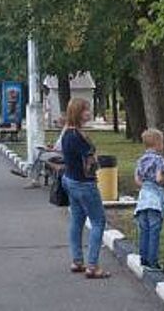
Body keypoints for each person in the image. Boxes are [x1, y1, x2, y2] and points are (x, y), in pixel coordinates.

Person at [61, 98, 110, 279]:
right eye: (86, 110)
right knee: (98, 222)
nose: (89, 113)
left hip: (70, 180)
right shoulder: (78, 137)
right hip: (84, 184)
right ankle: (93, 266)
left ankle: (77, 260)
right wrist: (95, 158)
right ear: (78, 113)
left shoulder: (67, 132)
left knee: (77, 220)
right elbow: (90, 161)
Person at [134, 128, 164, 271]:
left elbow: (137, 179)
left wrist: (146, 186)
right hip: (155, 200)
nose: (163, 145)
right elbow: (159, 178)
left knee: (144, 230)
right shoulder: (159, 159)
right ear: (157, 143)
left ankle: (143, 259)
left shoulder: (141, 159)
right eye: (162, 142)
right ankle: (153, 262)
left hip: (143, 199)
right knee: (154, 231)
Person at [23, 125, 66, 189]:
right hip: (58, 152)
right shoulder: (65, 130)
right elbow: (59, 146)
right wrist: (51, 147)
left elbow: (62, 148)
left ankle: (32, 176)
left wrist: (51, 149)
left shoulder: (67, 131)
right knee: (39, 152)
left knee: (40, 154)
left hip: (61, 154)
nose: (56, 122)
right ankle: (32, 175)